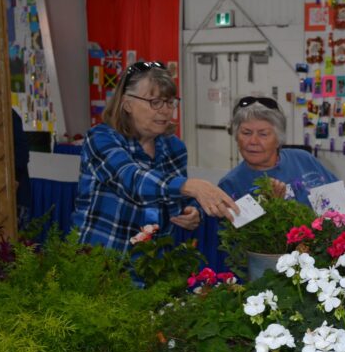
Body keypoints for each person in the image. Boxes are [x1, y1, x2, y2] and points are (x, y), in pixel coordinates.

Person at [72, 61, 238, 254]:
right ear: (127, 104)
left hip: (153, 266)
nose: (166, 110)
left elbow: (179, 198)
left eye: (169, 102)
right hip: (101, 262)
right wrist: (191, 186)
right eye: (155, 102)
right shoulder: (100, 138)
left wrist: (193, 212)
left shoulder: (174, 147)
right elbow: (133, 181)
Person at [218, 97, 338, 208]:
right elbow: (234, 230)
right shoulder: (229, 185)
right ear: (236, 137)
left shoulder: (303, 159)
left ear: (278, 140)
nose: (253, 141)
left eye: (263, 134)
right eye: (246, 133)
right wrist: (271, 206)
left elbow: (340, 202)